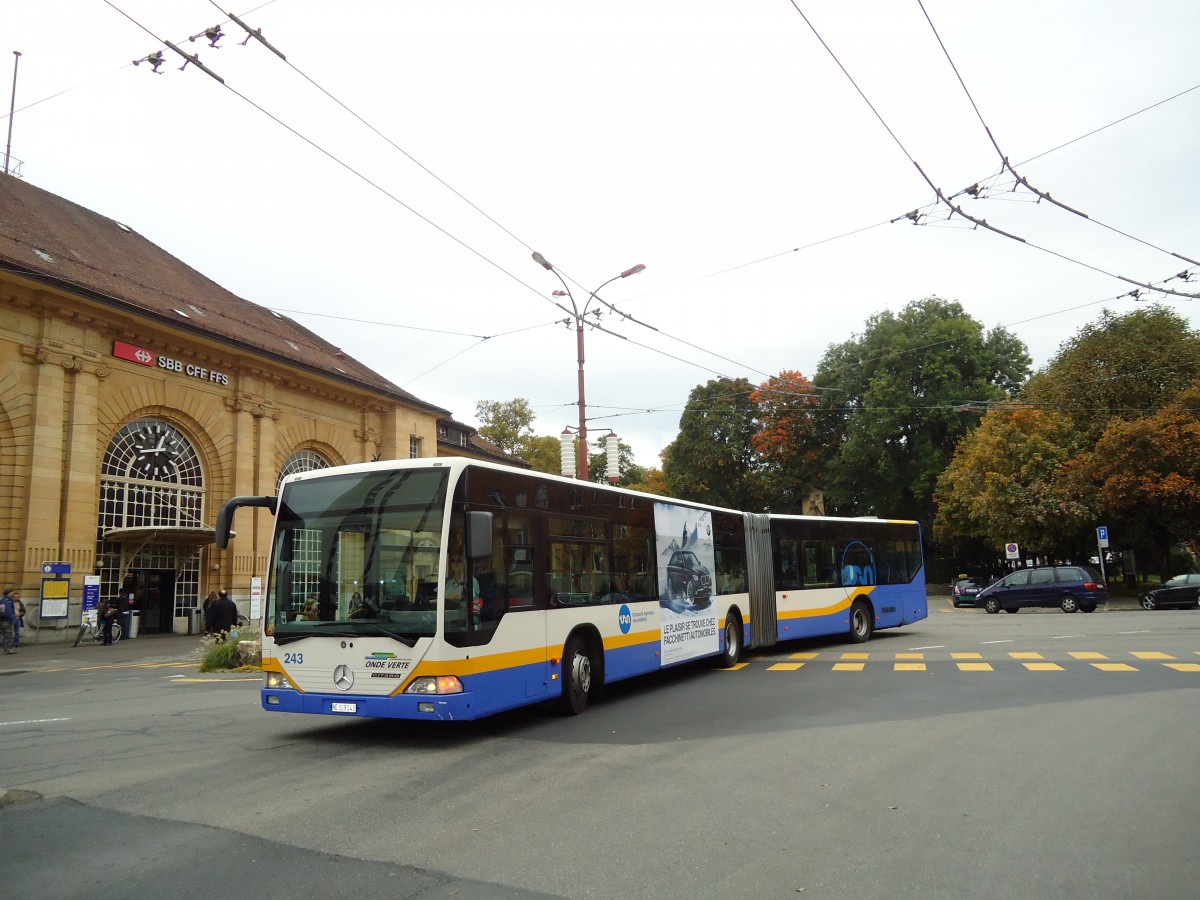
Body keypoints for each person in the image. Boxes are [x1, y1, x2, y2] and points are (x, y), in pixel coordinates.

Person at [0, 588, 17, 654]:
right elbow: (9, 612)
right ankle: (8, 649)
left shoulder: (2, 600)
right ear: (9, 593)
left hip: (1, 619)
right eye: (12, 593)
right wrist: (12, 619)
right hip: (7, 620)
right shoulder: (9, 602)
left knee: (2, 634)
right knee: (9, 635)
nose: (13, 594)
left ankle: (5, 647)